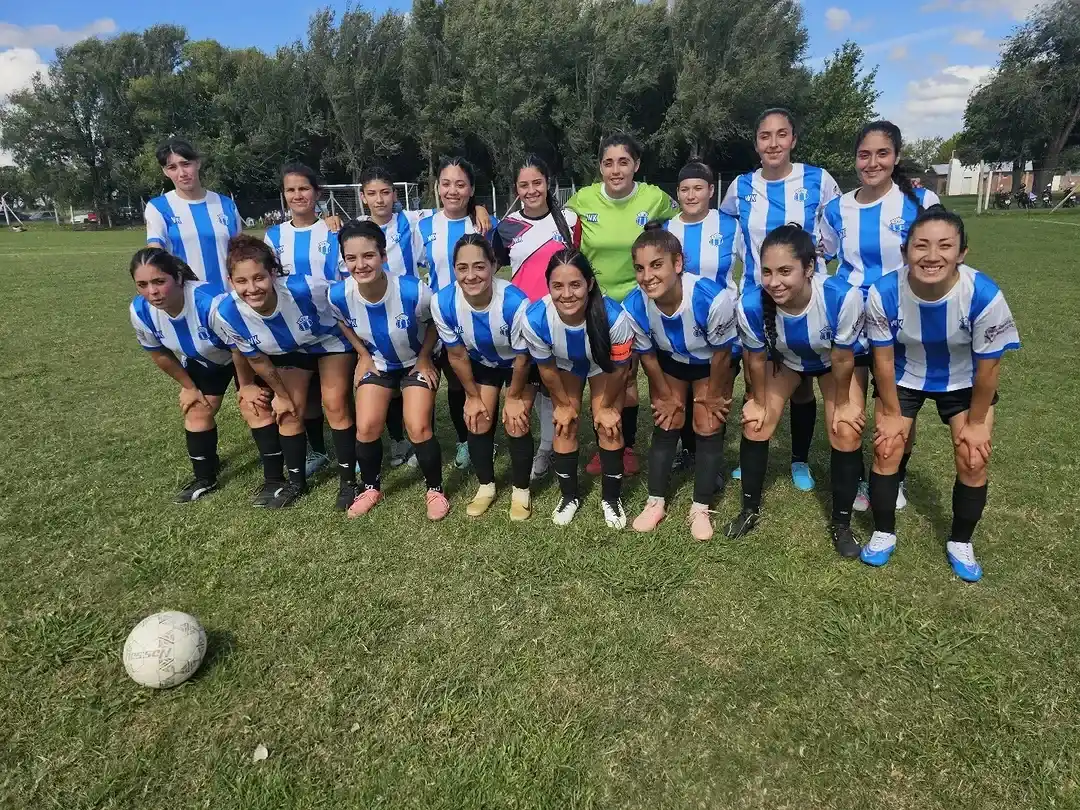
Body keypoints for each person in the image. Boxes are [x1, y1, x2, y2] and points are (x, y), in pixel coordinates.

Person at [862, 207, 1020, 582]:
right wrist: (891, 411)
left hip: (963, 378)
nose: (932, 256)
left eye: (945, 246)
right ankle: (883, 531)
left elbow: (989, 369)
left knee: (972, 457)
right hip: (904, 373)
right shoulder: (884, 292)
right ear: (905, 251)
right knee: (886, 447)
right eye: (921, 246)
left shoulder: (984, 294)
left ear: (962, 252)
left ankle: (960, 541)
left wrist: (977, 423)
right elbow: (882, 363)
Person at [725, 224, 870, 559]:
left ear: (809, 269)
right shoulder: (749, 304)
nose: (774, 281)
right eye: (767, 271)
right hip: (788, 361)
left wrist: (846, 404)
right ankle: (749, 509)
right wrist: (757, 402)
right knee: (755, 425)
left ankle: (841, 523)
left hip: (834, 364)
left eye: (785, 271)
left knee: (845, 431)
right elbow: (757, 360)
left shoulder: (841, 296)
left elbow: (843, 357)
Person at [820, 120, 940, 513]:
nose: (872, 162)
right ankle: (856, 481)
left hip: (902, 319)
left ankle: (894, 476)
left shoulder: (921, 202)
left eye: (882, 154)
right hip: (851, 320)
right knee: (848, 404)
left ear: (897, 157)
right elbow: (824, 258)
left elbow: (936, 257)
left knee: (897, 407)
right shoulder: (836, 208)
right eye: (864, 154)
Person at [721, 108, 842, 493]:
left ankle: (799, 459)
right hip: (760, 299)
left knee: (803, 384)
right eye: (764, 136)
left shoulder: (818, 179)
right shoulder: (740, 186)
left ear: (793, 139)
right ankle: (755, 451)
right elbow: (727, 230)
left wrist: (818, 258)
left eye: (781, 135)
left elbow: (837, 225)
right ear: (756, 143)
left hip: (805, 300)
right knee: (760, 377)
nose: (773, 143)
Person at [210, 234, 358, 510]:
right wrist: (281, 394)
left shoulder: (306, 289)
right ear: (230, 281)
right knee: (287, 410)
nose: (252, 288)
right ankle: (296, 482)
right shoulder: (227, 312)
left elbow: (348, 299)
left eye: (259, 278)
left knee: (334, 402)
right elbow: (256, 360)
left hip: (331, 343)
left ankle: (349, 481)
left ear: (274, 273)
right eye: (241, 281)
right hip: (292, 352)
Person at [128, 247, 279, 504]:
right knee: (197, 409)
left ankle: (275, 480)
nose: (152, 291)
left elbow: (239, 348)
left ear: (177, 277)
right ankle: (204, 478)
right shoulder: (141, 312)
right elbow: (159, 354)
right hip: (207, 361)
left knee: (253, 406)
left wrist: (246, 385)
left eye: (159, 281)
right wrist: (188, 386)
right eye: (142, 284)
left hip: (246, 353)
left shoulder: (211, 303)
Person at [567, 133, 679, 475]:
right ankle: (608, 442)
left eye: (623, 162)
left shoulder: (653, 198)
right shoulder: (583, 199)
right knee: (605, 376)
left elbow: (684, 218)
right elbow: (546, 218)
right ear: (599, 166)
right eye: (608, 162)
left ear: (637, 165)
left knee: (628, 376)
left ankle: (625, 446)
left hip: (639, 301)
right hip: (597, 304)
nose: (616, 170)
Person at [328, 220, 450, 521]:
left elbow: (434, 322)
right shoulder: (338, 295)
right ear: (343, 262)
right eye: (351, 258)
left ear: (383, 256)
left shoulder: (413, 291)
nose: (360, 264)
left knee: (417, 425)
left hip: (414, 361)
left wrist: (424, 358)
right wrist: (363, 355)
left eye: (368, 256)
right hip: (380, 363)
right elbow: (342, 321)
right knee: (367, 426)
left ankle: (435, 489)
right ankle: (371, 487)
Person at [622, 225, 737, 541]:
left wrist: (713, 396)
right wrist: (663, 396)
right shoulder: (634, 304)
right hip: (671, 360)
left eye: (656, 265)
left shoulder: (711, 298)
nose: (647, 276)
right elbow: (647, 358)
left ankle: (700, 507)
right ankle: (655, 502)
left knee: (707, 421)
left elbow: (723, 354)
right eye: (640, 268)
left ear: (677, 263)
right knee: (668, 418)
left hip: (711, 362)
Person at [519, 249, 635, 528]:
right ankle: (569, 497)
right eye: (557, 286)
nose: (567, 294)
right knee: (564, 423)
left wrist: (606, 408)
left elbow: (621, 370)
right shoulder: (535, 318)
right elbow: (546, 369)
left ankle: (611, 498)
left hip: (602, 366)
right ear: (548, 286)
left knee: (608, 426)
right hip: (565, 365)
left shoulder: (614, 317)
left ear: (590, 284)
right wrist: (562, 405)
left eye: (575, 284)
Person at [431, 235, 535, 519]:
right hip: (484, 362)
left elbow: (524, 358)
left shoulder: (515, 302)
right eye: (462, 268)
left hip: (520, 363)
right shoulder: (442, 302)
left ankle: (521, 491)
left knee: (516, 421)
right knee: (477, 419)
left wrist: (513, 398)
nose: (471, 275)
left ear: (494, 265)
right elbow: (457, 355)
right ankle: (486, 487)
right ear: (454, 269)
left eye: (479, 266)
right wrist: (473, 397)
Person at [492, 155, 582, 482]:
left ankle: (549, 449)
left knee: (552, 387)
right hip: (523, 322)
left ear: (548, 184)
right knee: (527, 386)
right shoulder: (505, 227)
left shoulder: (570, 220)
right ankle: (534, 451)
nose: (531, 190)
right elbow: (491, 267)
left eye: (537, 183)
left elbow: (578, 263)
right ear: (516, 188)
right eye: (523, 185)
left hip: (561, 318)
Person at [265, 162, 349, 481]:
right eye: (291, 189)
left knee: (334, 399)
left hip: (332, 330)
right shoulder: (274, 236)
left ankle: (349, 455)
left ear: (316, 192)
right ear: (284, 195)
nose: (298, 195)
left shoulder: (333, 230)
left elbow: (344, 278)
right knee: (302, 402)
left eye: (304, 188)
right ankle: (318, 451)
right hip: (292, 334)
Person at [414, 157, 499, 471]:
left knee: (478, 380)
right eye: (446, 183)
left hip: (478, 317)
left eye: (460, 184)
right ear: (437, 187)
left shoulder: (485, 224)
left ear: (471, 189)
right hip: (441, 320)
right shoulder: (423, 226)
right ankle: (465, 441)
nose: (452, 190)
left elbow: (496, 265)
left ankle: (484, 438)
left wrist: (481, 210)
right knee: (455, 381)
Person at [663, 159, 743, 479]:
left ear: (711, 191)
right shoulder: (668, 229)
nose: (691, 195)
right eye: (684, 189)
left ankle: (712, 460)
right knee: (682, 395)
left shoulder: (730, 226)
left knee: (714, 395)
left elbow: (749, 271)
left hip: (720, 330)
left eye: (698, 188)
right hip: (677, 330)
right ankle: (690, 452)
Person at [144, 137, 242, 296]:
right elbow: (155, 253)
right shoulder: (158, 207)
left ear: (198, 163)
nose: (182, 173)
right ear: (165, 172)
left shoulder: (225, 205)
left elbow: (241, 254)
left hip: (229, 299)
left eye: (186, 164)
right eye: (172, 167)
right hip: (187, 301)